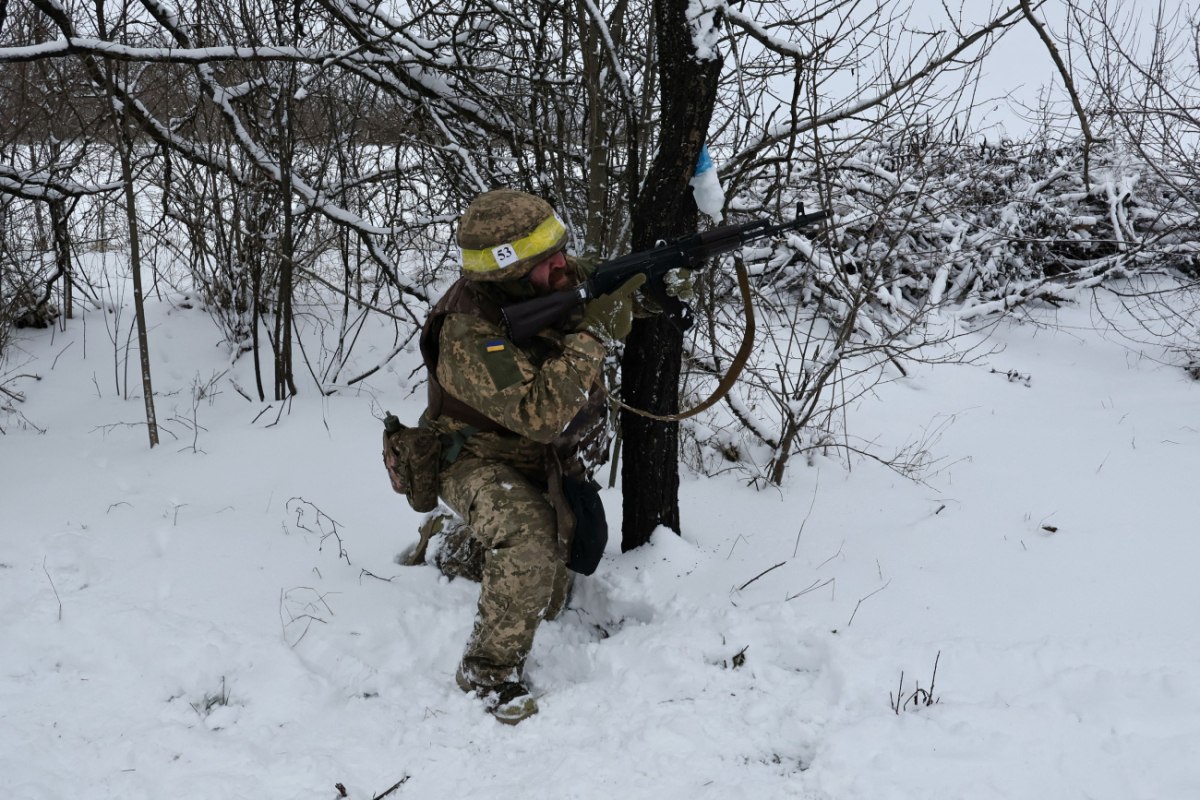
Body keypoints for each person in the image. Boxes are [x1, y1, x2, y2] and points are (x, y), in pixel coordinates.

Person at [406, 188, 644, 724]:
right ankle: (487, 673)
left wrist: (660, 282)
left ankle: (461, 550)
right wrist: (591, 336)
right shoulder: (467, 332)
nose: (564, 265)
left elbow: (615, 282)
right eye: (547, 261)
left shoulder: (550, 277)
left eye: (560, 250)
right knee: (528, 542)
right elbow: (540, 413)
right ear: (508, 276)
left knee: (553, 590)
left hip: (537, 458)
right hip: (470, 458)